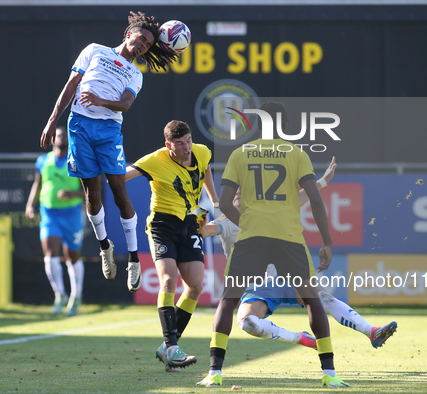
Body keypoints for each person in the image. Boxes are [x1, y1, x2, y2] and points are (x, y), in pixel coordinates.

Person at [197, 101, 348, 389]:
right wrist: (327, 242)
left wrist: (249, 223)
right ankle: (329, 373)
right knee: (312, 300)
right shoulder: (296, 154)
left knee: (228, 300)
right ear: (285, 127)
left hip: (252, 237)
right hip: (288, 237)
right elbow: (314, 199)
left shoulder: (240, 154)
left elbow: (226, 203)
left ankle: (214, 373)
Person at [39, 11, 179, 292]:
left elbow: (125, 105)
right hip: (78, 125)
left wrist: (101, 100)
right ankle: (105, 246)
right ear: (129, 33)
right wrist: (53, 119)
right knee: (92, 194)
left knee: (119, 190)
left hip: (108, 131)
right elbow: (71, 85)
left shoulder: (135, 74)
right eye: (140, 39)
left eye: (147, 45)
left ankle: (132, 258)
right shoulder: (94, 51)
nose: (142, 46)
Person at [200, 157, 397, 351]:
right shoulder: (226, 221)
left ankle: (371, 331)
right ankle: (298, 338)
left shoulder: (270, 212)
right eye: (238, 190)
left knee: (322, 298)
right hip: (256, 289)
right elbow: (208, 230)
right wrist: (199, 224)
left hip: (285, 276)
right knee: (247, 323)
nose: (240, 194)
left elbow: (300, 198)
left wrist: (323, 181)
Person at [123, 120, 219, 372]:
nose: (186, 147)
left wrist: (215, 200)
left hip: (189, 222)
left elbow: (206, 169)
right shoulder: (155, 160)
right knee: (168, 280)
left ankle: (167, 349)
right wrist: (102, 166)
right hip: (162, 225)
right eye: (179, 143)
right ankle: (172, 346)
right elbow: (121, 176)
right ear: (169, 145)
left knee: (196, 285)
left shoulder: (201, 151)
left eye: (188, 140)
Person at [26, 125, 85, 317]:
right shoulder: (43, 161)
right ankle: (60, 295)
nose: (61, 138)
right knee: (50, 256)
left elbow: (90, 191)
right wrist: (29, 205)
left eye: (64, 135)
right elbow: (37, 183)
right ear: (52, 139)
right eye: (58, 135)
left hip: (72, 214)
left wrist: (73, 193)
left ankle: (76, 297)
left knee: (72, 257)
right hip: (49, 214)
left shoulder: (76, 160)